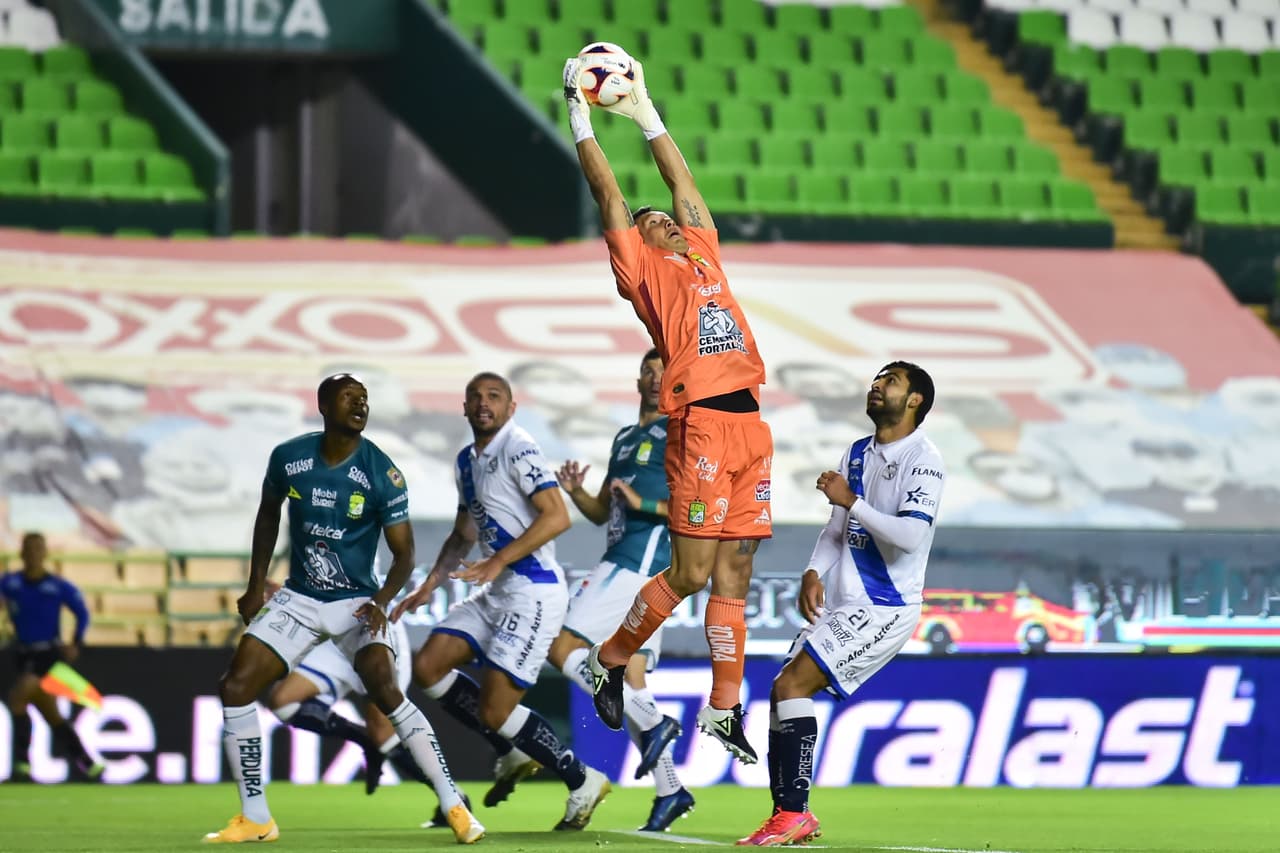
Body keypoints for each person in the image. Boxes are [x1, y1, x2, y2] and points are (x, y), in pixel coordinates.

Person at [563, 50, 774, 764]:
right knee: (689, 573)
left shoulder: (705, 254)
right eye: (656, 221)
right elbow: (611, 196)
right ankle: (610, 658)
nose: (670, 220)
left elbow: (680, 181)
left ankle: (724, 707)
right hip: (703, 423)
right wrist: (582, 117)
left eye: (670, 219)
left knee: (736, 567)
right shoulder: (643, 273)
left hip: (750, 426)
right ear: (642, 240)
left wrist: (645, 112)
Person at [203, 373, 482, 845]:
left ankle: (454, 804)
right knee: (235, 686)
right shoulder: (289, 458)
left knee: (385, 691)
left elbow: (404, 555)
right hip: (300, 598)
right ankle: (256, 818)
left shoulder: (382, 473)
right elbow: (268, 515)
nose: (360, 405)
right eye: (349, 397)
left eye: (364, 399)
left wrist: (381, 600)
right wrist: (254, 586)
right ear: (324, 406)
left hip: (358, 602)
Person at [392, 372, 611, 831]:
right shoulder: (466, 462)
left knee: (496, 711)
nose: (483, 403)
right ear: (464, 408)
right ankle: (509, 746)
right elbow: (463, 534)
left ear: (511, 408)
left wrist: (498, 561)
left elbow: (557, 516)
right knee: (429, 666)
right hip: (497, 591)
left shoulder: (519, 447)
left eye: (494, 396)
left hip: (532, 593)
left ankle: (582, 779)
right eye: (475, 396)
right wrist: (429, 584)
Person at [738, 362, 945, 846]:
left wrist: (852, 501)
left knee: (792, 685)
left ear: (915, 400)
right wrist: (814, 571)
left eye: (890, 382)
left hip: (885, 606)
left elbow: (910, 537)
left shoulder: (924, 460)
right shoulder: (856, 452)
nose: (876, 386)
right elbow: (838, 529)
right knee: (782, 692)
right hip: (845, 601)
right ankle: (788, 815)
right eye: (877, 379)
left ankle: (794, 814)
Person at [548, 349, 695, 832]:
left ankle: (654, 725)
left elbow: (693, 505)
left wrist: (643, 502)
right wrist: (577, 492)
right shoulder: (625, 438)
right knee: (630, 679)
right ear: (637, 382)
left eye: (663, 374)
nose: (655, 380)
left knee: (562, 646)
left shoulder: (680, 433)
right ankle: (671, 791)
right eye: (648, 372)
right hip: (633, 563)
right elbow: (604, 513)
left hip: (638, 564)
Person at [263, 584, 472, 830]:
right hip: (335, 639)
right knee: (282, 701)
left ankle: (455, 798)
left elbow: (394, 570)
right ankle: (363, 738)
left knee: (384, 734)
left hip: (374, 628)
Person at [1, 531, 102, 779]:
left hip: (48, 652)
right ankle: (88, 762)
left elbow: (82, 613)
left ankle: (22, 760)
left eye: (38, 548)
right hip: (23, 653)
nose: (34, 553)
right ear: (22, 552)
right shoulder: (10, 583)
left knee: (19, 697)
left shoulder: (57, 586)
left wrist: (76, 642)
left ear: (45, 553)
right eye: (29, 548)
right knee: (51, 713)